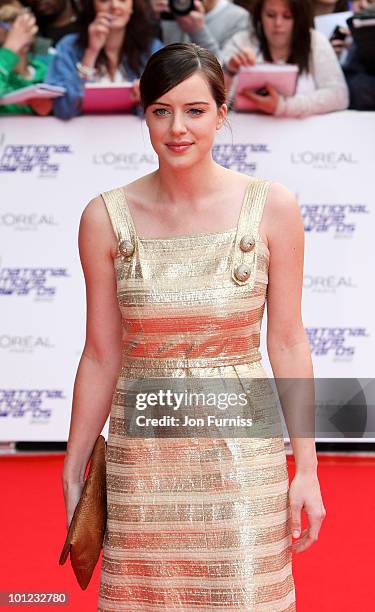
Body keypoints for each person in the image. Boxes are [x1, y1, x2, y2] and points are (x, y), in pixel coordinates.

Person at [62, 42, 326, 610]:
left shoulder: (272, 207)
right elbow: (101, 354)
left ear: (222, 113)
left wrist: (306, 466)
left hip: (242, 463)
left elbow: (287, 341)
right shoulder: (104, 218)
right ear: (144, 116)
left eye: (195, 110)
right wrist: (74, 460)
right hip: (142, 465)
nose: (177, 127)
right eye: (160, 110)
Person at [222, 0, 349, 117]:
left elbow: (339, 95)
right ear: (259, 16)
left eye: (287, 16)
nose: (278, 23)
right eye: (271, 15)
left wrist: (283, 106)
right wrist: (229, 71)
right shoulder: (241, 42)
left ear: (299, 18)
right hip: (246, 133)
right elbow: (211, 100)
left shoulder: (315, 41)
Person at [43, 0, 163, 119]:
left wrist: (145, 101)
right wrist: (91, 52)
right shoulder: (68, 47)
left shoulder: (152, 48)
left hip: (134, 136)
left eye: (122, 0)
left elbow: (165, 111)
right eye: (104, 0)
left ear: (132, 6)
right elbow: (62, 110)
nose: (115, 6)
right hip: (82, 135)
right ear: (92, 6)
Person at [149, 0, 250, 63]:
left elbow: (225, 73)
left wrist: (198, 31)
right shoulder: (171, 7)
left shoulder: (239, 18)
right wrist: (148, 13)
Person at [0, 0, 52, 114]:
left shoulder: (47, 67)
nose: (19, 32)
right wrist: (10, 49)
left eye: (24, 24)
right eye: (9, 25)